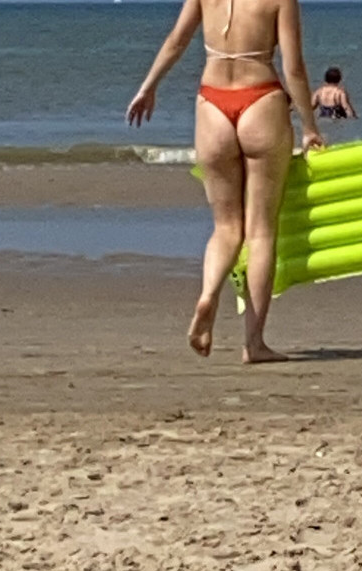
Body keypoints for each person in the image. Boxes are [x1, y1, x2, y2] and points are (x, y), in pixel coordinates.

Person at [127, 0, 323, 363]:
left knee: (225, 227)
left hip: (212, 104)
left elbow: (176, 40)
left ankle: (208, 294)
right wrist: (310, 127)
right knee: (261, 231)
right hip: (260, 99)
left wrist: (148, 86)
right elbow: (293, 66)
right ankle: (254, 343)